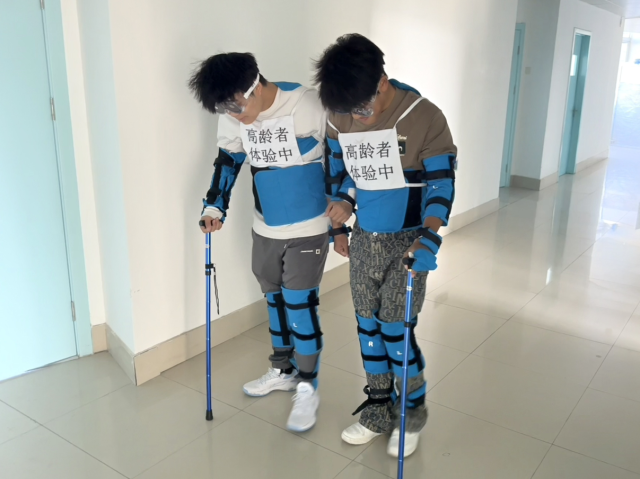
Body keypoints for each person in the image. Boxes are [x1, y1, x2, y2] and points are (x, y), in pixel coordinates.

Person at [189, 52, 349, 431]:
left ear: (256, 86)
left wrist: (340, 224)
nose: (233, 115)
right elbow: (228, 161)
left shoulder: (307, 104)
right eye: (223, 109)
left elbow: (338, 160)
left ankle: (308, 386)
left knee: (300, 305)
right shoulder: (233, 119)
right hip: (265, 226)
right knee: (274, 299)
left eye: (235, 105)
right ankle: (283, 370)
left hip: (308, 225)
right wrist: (214, 206)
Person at [314, 34, 457, 457]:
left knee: (396, 328)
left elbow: (440, 183)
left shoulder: (424, 116)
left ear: (381, 82)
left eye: (362, 108)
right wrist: (340, 220)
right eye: (348, 111)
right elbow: (340, 172)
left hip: (408, 243)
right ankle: (378, 409)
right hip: (365, 239)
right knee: (367, 328)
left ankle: (411, 412)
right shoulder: (339, 116)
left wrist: (430, 237)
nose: (356, 118)